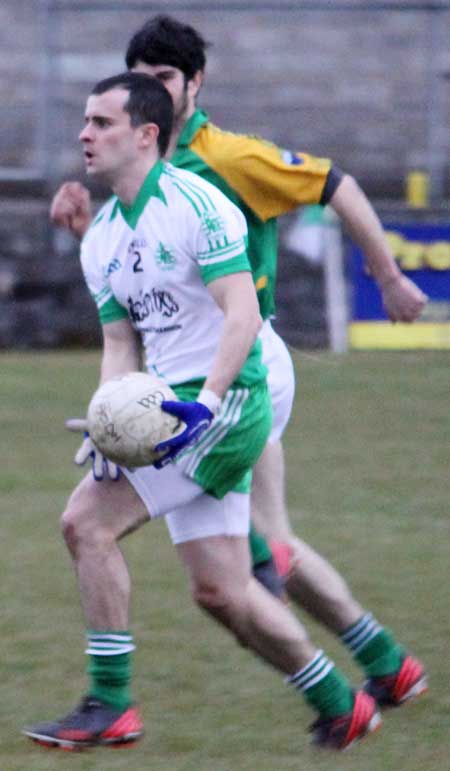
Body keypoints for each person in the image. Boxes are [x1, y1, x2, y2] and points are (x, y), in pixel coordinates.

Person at [49, 15, 428, 715]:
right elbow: (141, 275)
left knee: (256, 548)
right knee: (250, 554)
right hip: (183, 367)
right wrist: (86, 229)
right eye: (139, 77)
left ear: (194, 82)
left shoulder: (227, 158)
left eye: (162, 78)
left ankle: (319, 641)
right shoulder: (132, 162)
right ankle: (382, 665)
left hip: (246, 359)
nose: (148, 90)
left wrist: (388, 273)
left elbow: (334, 182)